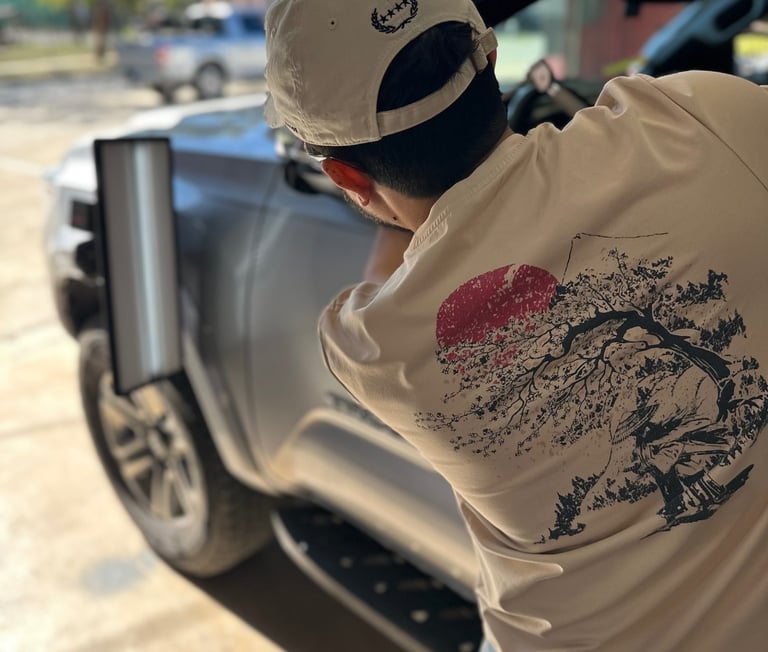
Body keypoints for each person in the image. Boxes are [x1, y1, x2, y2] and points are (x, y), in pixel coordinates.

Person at [264, 0, 768, 649]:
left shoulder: (372, 347)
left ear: (344, 175)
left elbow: (395, 276)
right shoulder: (704, 116)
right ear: (492, 58)